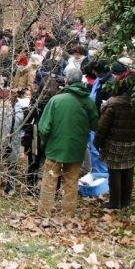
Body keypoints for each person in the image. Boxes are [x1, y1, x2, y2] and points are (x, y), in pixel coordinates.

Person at [37, 67, 98, 218]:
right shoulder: (89, 102)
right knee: (71, 182)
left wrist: (46, 141)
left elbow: (43, 127)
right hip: (77, 148)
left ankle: (44, 212)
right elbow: (95, 125)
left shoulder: (56, 100)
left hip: (55, 147)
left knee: (49, 180)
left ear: (66, 81)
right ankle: (68, 214)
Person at [94, 72, 135, 210]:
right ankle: (125, 201)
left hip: (114, 142)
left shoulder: (112, 103)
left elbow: (103, 127)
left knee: (115, 172)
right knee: (128, 171)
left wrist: (97, 142)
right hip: (131, 141)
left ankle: (115, 202)